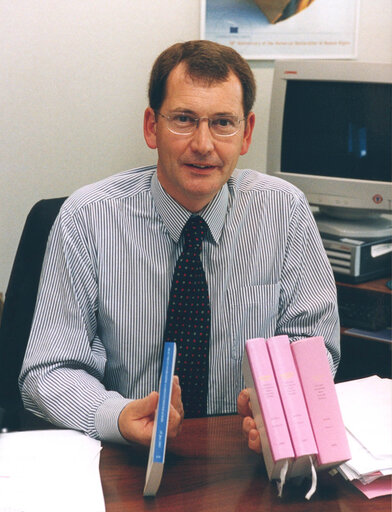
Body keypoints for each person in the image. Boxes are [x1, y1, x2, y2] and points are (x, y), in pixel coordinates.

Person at [19, 40, 340, 448]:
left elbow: (314, 346)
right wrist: (116, 416)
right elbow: (48, 370)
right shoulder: (88, 217)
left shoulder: (284, 210)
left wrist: (280, 401)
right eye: (185, 119)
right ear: (152, 126)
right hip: (126, 456)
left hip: (246, 454)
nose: (204, 145)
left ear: (246, 133)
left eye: (223, 122)